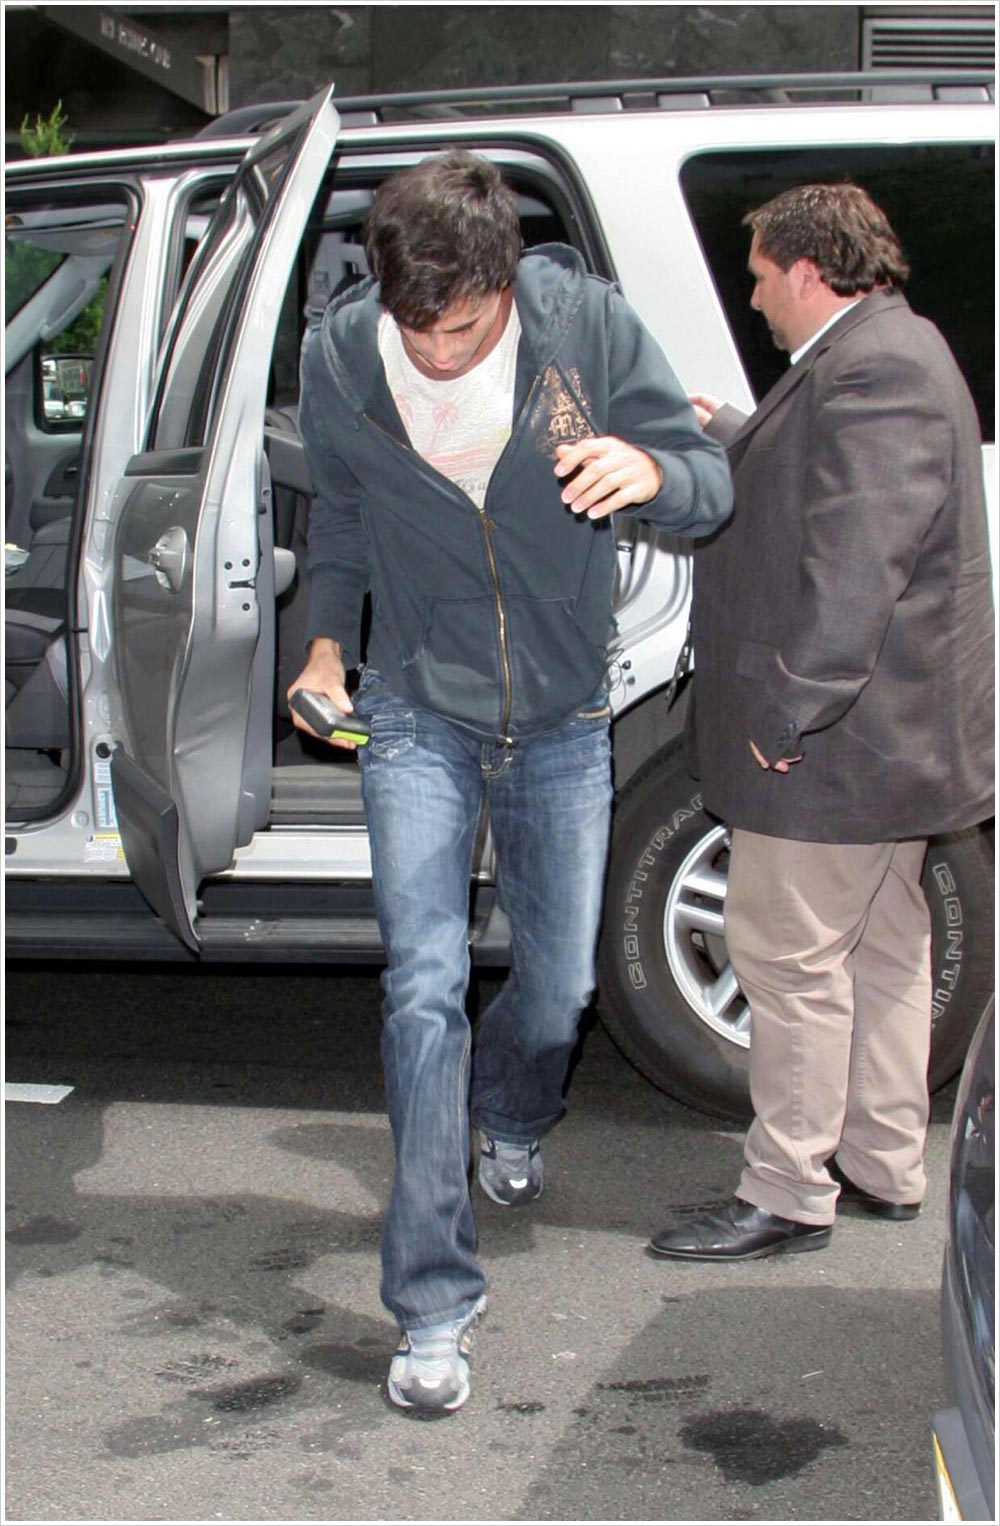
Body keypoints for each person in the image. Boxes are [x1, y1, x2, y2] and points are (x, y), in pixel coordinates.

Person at [289, 150, 732, 1410]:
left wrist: (653, 473)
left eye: (465, 329)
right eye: (415, 328)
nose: (437, 355)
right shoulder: (339, 359)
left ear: (506, 281)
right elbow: (341, 519)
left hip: (560, 715)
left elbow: (709, 485)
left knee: (558, 990)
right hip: (415, 705)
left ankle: (514, 1112)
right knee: (423, 985)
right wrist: (322, 646)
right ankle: (432, 1304)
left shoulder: (583, 327)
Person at [649, 183, 994, 1265]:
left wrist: (794, 704)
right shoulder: (884, 352)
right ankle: (882, 1163)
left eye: (759, 277)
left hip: (839, 745)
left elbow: (858, 560)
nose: (755, 299)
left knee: (787, 958)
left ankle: (788, 1190)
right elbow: (830, 484)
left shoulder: (877, 367)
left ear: (807, 270)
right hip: (888, 746)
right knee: (886, 946)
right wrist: (732, 430)